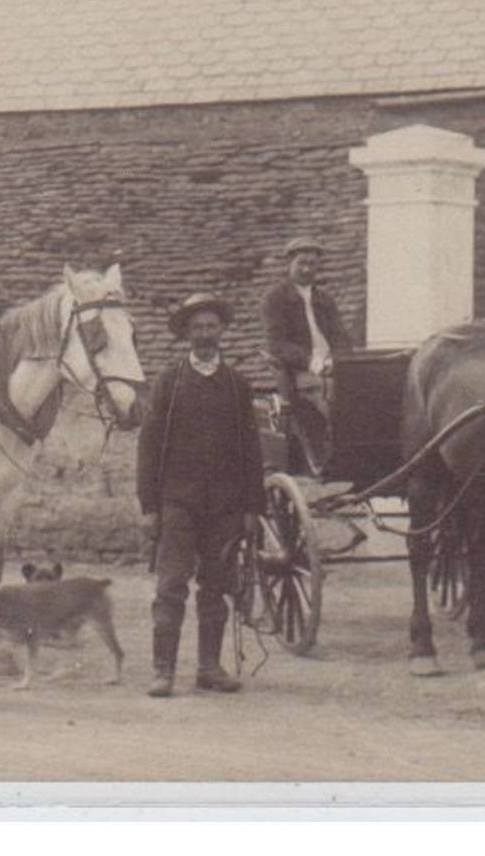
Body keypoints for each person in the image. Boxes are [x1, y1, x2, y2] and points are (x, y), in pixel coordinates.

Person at [137, 293, 265, 698]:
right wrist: (149, 506)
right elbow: (149, 446)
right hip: (178, 502)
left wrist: (251, 507)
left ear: (222, 331)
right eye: (198, 328)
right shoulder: (169, 382)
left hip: (225, 506)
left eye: (211, 327)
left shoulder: (236, 384)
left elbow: (251, 449)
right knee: (171, 583)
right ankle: (164, 670)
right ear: (187, 335)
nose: (205, 335)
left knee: (217, 584)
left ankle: (209, 667)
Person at [260, 236, 351, 473]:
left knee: (359, 394)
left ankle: (353, 454)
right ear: (289, 264)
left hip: (331, 368)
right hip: (297, 371)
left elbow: (340, 337)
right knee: (324, 397)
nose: (307, 269)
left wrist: (335, 360)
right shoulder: (275, 299)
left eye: (312, 264)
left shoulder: (325, 300)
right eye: (302, 263)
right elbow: (276, 344)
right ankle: (324, 460)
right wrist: (311, 361)